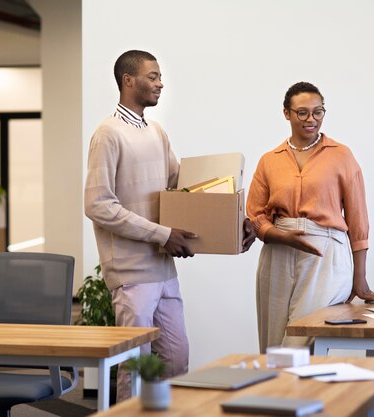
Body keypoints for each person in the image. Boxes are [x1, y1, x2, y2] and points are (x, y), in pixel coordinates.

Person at [84, 50, 254, 402]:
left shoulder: (156, 132)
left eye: (160, 77)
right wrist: (163, 233)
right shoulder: (107, 134)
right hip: (131, 271)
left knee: (177, 359)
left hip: (164, 268)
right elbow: (98, 205)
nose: (160, 83)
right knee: (136, 364)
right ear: (128, 80)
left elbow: (183, 188)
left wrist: (238, 220)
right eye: (153, 76)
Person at [246, 81, 374, 353]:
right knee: (273, 346)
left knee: (300, 342)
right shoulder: (269, 160)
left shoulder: (341, 155)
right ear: (286, 113)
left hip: (326, 254)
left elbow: (358, 222)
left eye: (318, 112)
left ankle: (306, 394)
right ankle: (275, 395)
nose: (311, 119)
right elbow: (256, 213)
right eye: (302, 113)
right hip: (278, 253)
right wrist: (277, 235)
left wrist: (361, 278)